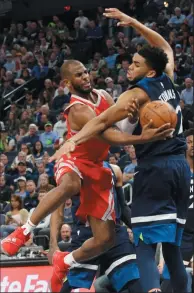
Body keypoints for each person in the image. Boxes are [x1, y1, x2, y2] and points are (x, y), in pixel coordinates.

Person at [52, 10, 191, 293]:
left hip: (156, 171)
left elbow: (101, 122)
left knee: (144, 244)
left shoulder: (137, 94)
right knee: (174, 251)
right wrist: (137, 24)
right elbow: (164, 47)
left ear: (149, 71)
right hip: (181, 169)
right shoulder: (167, 77)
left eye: (136, 64)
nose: (129, 66)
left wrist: (73, 141)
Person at [1, 60, 171, 282]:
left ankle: (66, 261)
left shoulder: (103, 95)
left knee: (106, 239)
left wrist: (131, 117)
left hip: (97, 167)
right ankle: (24, 230)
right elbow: (108, 134)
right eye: (80, 75)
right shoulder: (78, 109)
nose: (86, 77)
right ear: (68, 83)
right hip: (74, 160)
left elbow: (119, 127)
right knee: (70, 185)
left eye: (86, 72)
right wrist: (141, 138)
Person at [49, 162, 141, 293]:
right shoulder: (70, 172)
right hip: (86, 236)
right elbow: (57, 210)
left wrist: (141, 230)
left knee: (134, 281)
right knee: (65, 284)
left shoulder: (115, 170)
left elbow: (123, 208)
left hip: (114, 233)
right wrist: (53, 244)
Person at [161, 128, 194, 293]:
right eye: (189, 142)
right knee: (168, 285)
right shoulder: (175, 172)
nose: (192, 145)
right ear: (184, 146)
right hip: (178, 236)